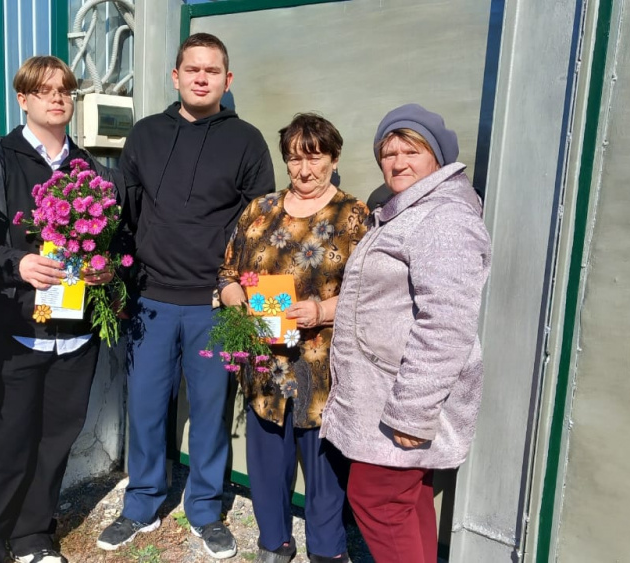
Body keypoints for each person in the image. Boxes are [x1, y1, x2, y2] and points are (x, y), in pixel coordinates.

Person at [96, 33, 275, 559]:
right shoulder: (146, 135)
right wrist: (116, 276)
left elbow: (259, 225)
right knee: (147, 408)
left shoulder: (247, 141)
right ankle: (142, 503)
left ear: (227, 79)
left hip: (214, 304)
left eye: (212, 70)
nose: (201, 78)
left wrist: (243, 289)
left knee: (212, 411)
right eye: (192, 69)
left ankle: (205, 509)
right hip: (150, 300)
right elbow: (125, 212)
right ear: (175, 76)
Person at [0, 56, 118, 563]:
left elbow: (112, 244)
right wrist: (17, 262)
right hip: (14, 328)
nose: (57, 98)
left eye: (65, 90)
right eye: (44, 90)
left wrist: (105, 270)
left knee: (55, 442)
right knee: (4, 442)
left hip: (74, 334)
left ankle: (33, 536)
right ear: (22, 99)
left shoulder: (91, 169)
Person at [321, 104, 492, 563]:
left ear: (437, 156)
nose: (397, 162)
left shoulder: (443, 220)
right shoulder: (408, 212)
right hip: (386, 391)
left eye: (411, 151)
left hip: (403, 398)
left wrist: (413, 413)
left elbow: (446, 324)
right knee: (408, 499)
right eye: (388, 153)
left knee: (376, 500)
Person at [216, 113, 368, 563]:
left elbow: (370, 294)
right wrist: (236, 302)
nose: (304, 170)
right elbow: (228, 273)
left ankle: (327, 550)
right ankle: (274, 542)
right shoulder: (260, 210)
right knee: (267, 464)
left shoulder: (353, 216)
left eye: (314, 158)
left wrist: (320, 310)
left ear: (334, 159)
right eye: (294, 159)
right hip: (265, 363)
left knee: (324, 470)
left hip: (322, 367)